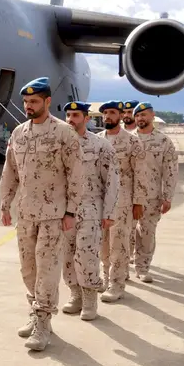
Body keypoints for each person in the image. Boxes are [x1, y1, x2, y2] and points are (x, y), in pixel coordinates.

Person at [0, 77, 83, 351]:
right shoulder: (19, 133)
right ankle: (35, 313)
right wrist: (5, 203)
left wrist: (71, 210)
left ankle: (44, 323)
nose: (28, 106)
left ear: (47, 101)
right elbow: (10, 171)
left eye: (34, 102)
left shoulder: (64, 133)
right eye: (26, 102)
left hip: (53, 215)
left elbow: (76, 175)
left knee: (47, 270)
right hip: (26, 215)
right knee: (28, 270)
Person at [60, 101, 118, 321]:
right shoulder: (60, 143)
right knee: (67, 255)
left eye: (76, 115)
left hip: (91, 207)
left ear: (86, 118)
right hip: (66, 209)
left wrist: (109, 212)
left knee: (86, 255)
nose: (71, 120)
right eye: (68, 115)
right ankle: (75, 294)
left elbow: (112, 181)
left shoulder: (101, 146)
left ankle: (90, 298)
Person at [97, 101, 146, 302]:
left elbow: (140, 174)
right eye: (105, 113)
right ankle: (107, 279)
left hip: (123, 201)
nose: (108, 116)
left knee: (119, 245)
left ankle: (117, 285)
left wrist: (138, 202)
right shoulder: (97, 140)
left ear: (120, 116)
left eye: (112, 113)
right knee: (103, 245)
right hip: (100, 201)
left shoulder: (132, 142)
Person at [132, 102, 179, 283]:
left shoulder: (163, 141)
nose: (140, 119)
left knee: (147, 233)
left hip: (151, 197)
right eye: (137, 116)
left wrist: (167, 197)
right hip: (128, 196)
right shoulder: (128, 139)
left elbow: (170, 170)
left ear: (152, 116)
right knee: (126, 233)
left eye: (143, 115)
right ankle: (123, 268)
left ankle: (142, 267)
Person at [121, 100, 141, 271]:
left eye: (130, 112)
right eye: (125, 112)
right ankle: (126, 260)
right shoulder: (117, 135)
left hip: (135, 192)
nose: (127, 115)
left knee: (134, 228)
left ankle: (135, 257)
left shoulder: (139, 136)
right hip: (118, 195)